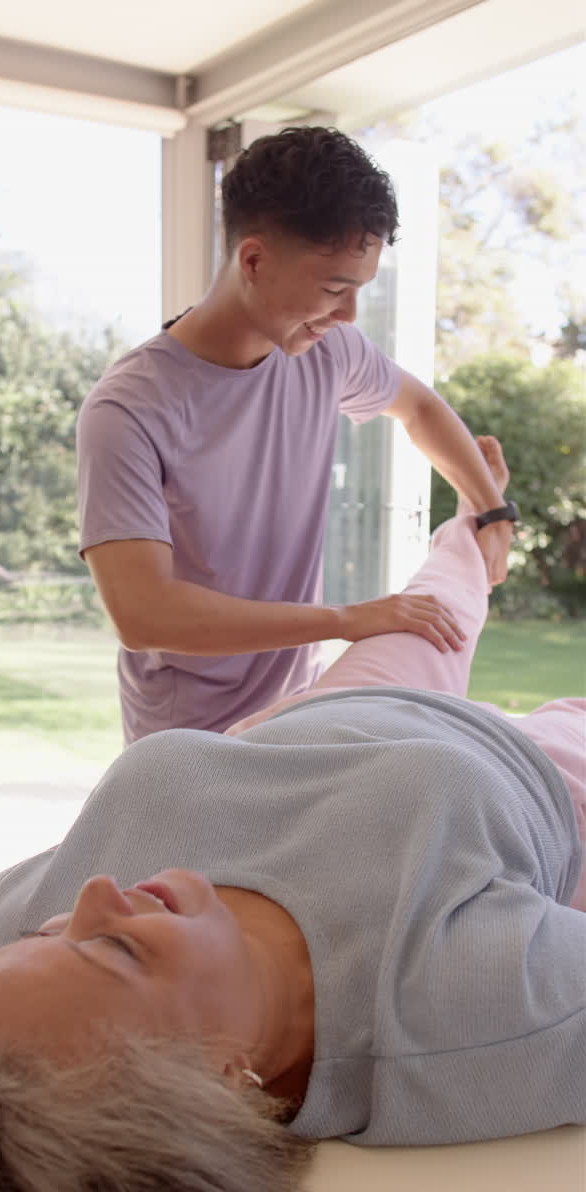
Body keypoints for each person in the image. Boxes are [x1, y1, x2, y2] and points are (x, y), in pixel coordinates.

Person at [0, 441, 584, 1192]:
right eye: (115, 948)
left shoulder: (28, 983)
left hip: (331, 709)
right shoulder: (455, 1008)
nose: (95, 894)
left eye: (45, 935)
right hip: (539, 770)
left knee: (444, 585)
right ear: (228, 1080)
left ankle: (479, 528)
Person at [77, 125, 517, 745]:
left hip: (295, 715)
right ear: (253, 261)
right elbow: (144, 612)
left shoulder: (327, 350)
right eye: (335, 289)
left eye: (359, 291)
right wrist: (346, 620)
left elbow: (419, 408)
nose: (347, 316)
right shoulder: (129, 409)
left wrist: (492, 510)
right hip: (186, 746)